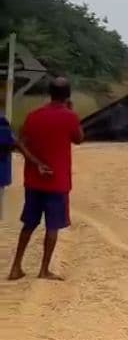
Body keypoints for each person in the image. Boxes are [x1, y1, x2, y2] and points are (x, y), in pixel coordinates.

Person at [7, 77, 83, 281]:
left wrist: (36, 163)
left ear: (49, 93)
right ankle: (43, 270)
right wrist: (71, 110)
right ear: (67, 95)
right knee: (52, 226)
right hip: (57, 181)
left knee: (29, 224)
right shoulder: (70, 117)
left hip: (34, 180)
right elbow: (79, 139)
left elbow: (19, 143)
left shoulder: (33, 116)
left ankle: (16, 267)